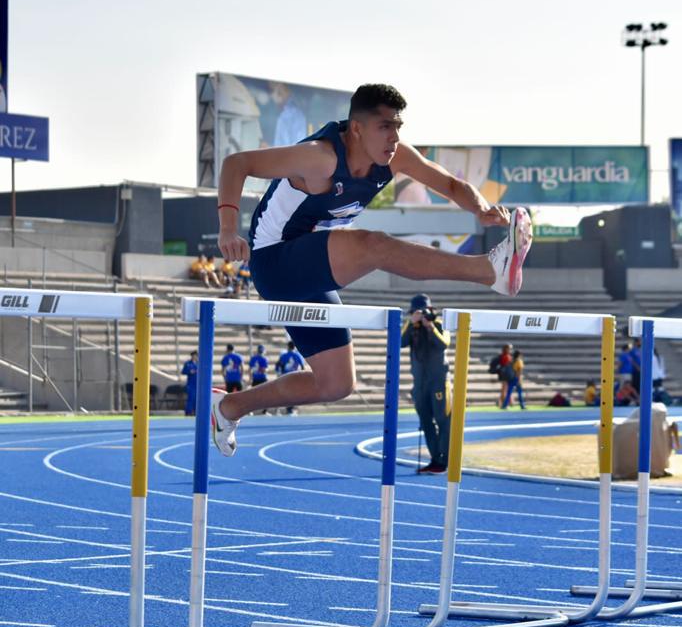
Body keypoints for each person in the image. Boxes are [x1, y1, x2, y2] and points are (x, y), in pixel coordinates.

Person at [209, 83, 533, 455]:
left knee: (336, 383)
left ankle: (229, 407)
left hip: (312, 266)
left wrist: (480, 208)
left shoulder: (394, 156)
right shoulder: (320, 158)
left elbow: (449, 183)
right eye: (385, 127)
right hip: (274, 261)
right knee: (373, 245)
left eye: (398, 126)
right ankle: (488, 270)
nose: (395, 137)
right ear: (357, 129)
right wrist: (228, 229)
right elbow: (237, 164)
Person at [401, 294, 450, 474]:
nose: (421, 315)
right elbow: (399, 342)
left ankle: (444, 460)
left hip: (438, 382)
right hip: (420, 384)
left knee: (443, 421)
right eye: (417, 312)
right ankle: (435, 460)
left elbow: (443, 344)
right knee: (426, 422)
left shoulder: (439, 324)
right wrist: (411, 323)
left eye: (424, 312)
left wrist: (430, 327)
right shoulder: (411, 327)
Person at [276, 341, 305, 415]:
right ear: (294, 347)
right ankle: (291, 409)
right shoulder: (298, 355)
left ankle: (288, 408)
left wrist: (279, 374)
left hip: (285, 377)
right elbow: (302, 366)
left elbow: (278, 365)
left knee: (286, 393)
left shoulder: (284, 355)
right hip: (294, 377)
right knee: (294, 393)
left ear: (288, 347)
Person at [181, 351, 199, 416]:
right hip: (191, 384)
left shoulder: (199, 364)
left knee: (197, 399)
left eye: (196, 355)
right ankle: (188, 412)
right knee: (191, 398)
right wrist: (189, 371)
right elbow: (183, 371)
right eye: (194, 355)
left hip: (198, 384)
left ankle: (196, 412)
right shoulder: (188, 363)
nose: (196, 357)